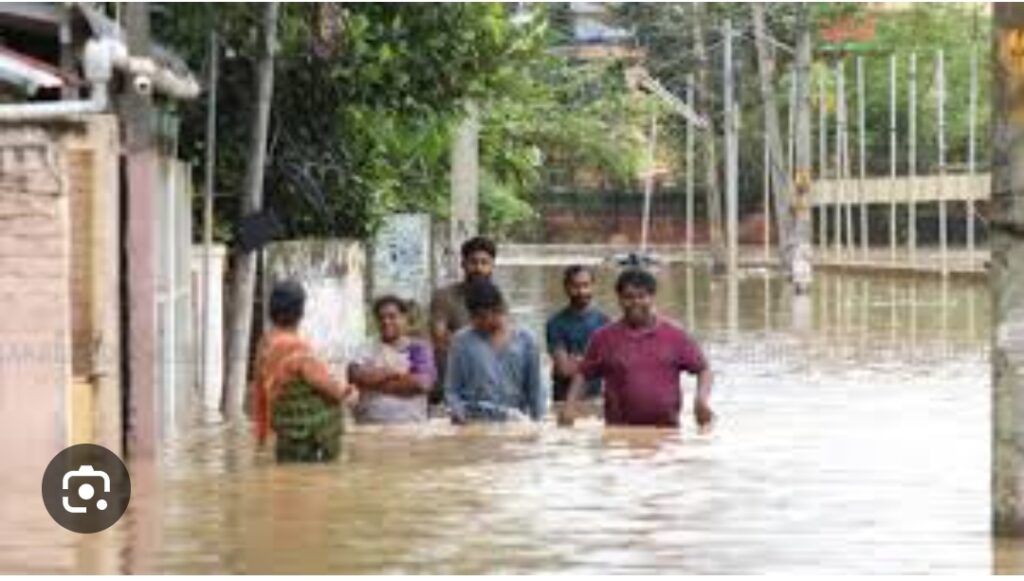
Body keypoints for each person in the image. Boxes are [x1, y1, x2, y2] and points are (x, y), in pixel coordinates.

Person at [559, 268, 714, 429]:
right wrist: (570, 407)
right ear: (619, 299)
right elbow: (583, 374)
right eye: (629, 297)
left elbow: (704, 370)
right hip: (618, 433)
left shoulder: (675, 335)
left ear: (652, 297)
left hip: (666, 434)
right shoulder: (603, 338)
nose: (636, 302)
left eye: (642, 296)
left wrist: (701, 400)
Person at [251, 279, 359, 462]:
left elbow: (260, 392)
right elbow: (331, 387)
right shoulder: (298, 349)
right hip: (308, 439)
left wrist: (261, 438)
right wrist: (351, 393)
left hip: (283, 435)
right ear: (301, 311)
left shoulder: (265, 344)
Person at [444, 279, 545, 424]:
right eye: (474, 317)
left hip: (515, 421)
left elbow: (535, 391)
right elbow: (452, 390)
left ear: (499, 309)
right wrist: (458, 414)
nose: (478, 322)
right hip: (474, 421)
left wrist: (538, 425)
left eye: (483, 316)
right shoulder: (461, 341)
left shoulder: (527, 340)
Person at [429, 236, 497, 403]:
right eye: (473, 262)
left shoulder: (498, 298)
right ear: (463, 264)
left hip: (490, 385)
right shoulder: (444, 296)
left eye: (484, 262)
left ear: (492, 266)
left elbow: (504, 342)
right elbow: (440, 340)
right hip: (450, 383)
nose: (478, 268)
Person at [348, 296, 436, 424]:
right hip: (369, 426)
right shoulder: (365, 347)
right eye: (381, 317)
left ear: (404, 318)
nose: (386, 321)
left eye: (392, 316)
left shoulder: (418, 348)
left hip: (411, 427)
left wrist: (371, 382)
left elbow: (421, 384)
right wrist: (391, 372)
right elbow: (354, 375)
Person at [545, 265, 609, 403]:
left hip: (595, 398)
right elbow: (564, 370)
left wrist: (577, 361)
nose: (581, 291)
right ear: (566, 288)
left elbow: (609, 367)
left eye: (586, 285)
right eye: (575, 286)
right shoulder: (555, 323)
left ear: (593, 286)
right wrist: (593, 363)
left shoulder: (604, 322)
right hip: (563, 398)